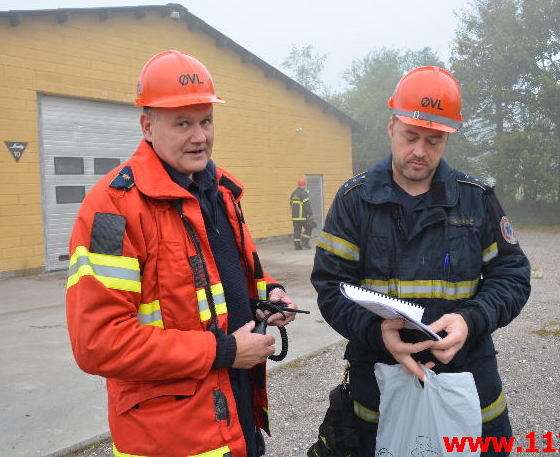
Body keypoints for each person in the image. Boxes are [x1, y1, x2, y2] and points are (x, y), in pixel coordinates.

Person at [66, 50, 299, 457]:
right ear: (147, 126)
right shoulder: (112, 210)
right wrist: (225, 350)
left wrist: (268, 295)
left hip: (235, 416)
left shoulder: (221, 192)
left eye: (206, 121)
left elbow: (226, 279)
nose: (200, 136)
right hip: (169, 438)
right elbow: (99, 342)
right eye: (182, 123)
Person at [311, 66, 531, 457]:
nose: (420, 151)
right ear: (391, 127)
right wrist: (378, 332)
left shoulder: (475, 199)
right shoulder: (354, 200)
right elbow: (331, 286)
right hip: (376, 376)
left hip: (467, 372)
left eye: (434, 141)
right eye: (411, 136)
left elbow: (511, 275)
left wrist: (470, 320)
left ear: (447, 138)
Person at [290, 178, 313, 250]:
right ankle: (305, 242)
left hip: (295, 217)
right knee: (309, 227)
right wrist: (310, 213)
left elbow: (291, 204)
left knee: (297, 230)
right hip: (302, 217)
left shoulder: (293, 193)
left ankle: (297, 246)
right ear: (303, 185)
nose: (304, 186)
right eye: (304, 185)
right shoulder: (304, 193)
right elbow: (307, 205)